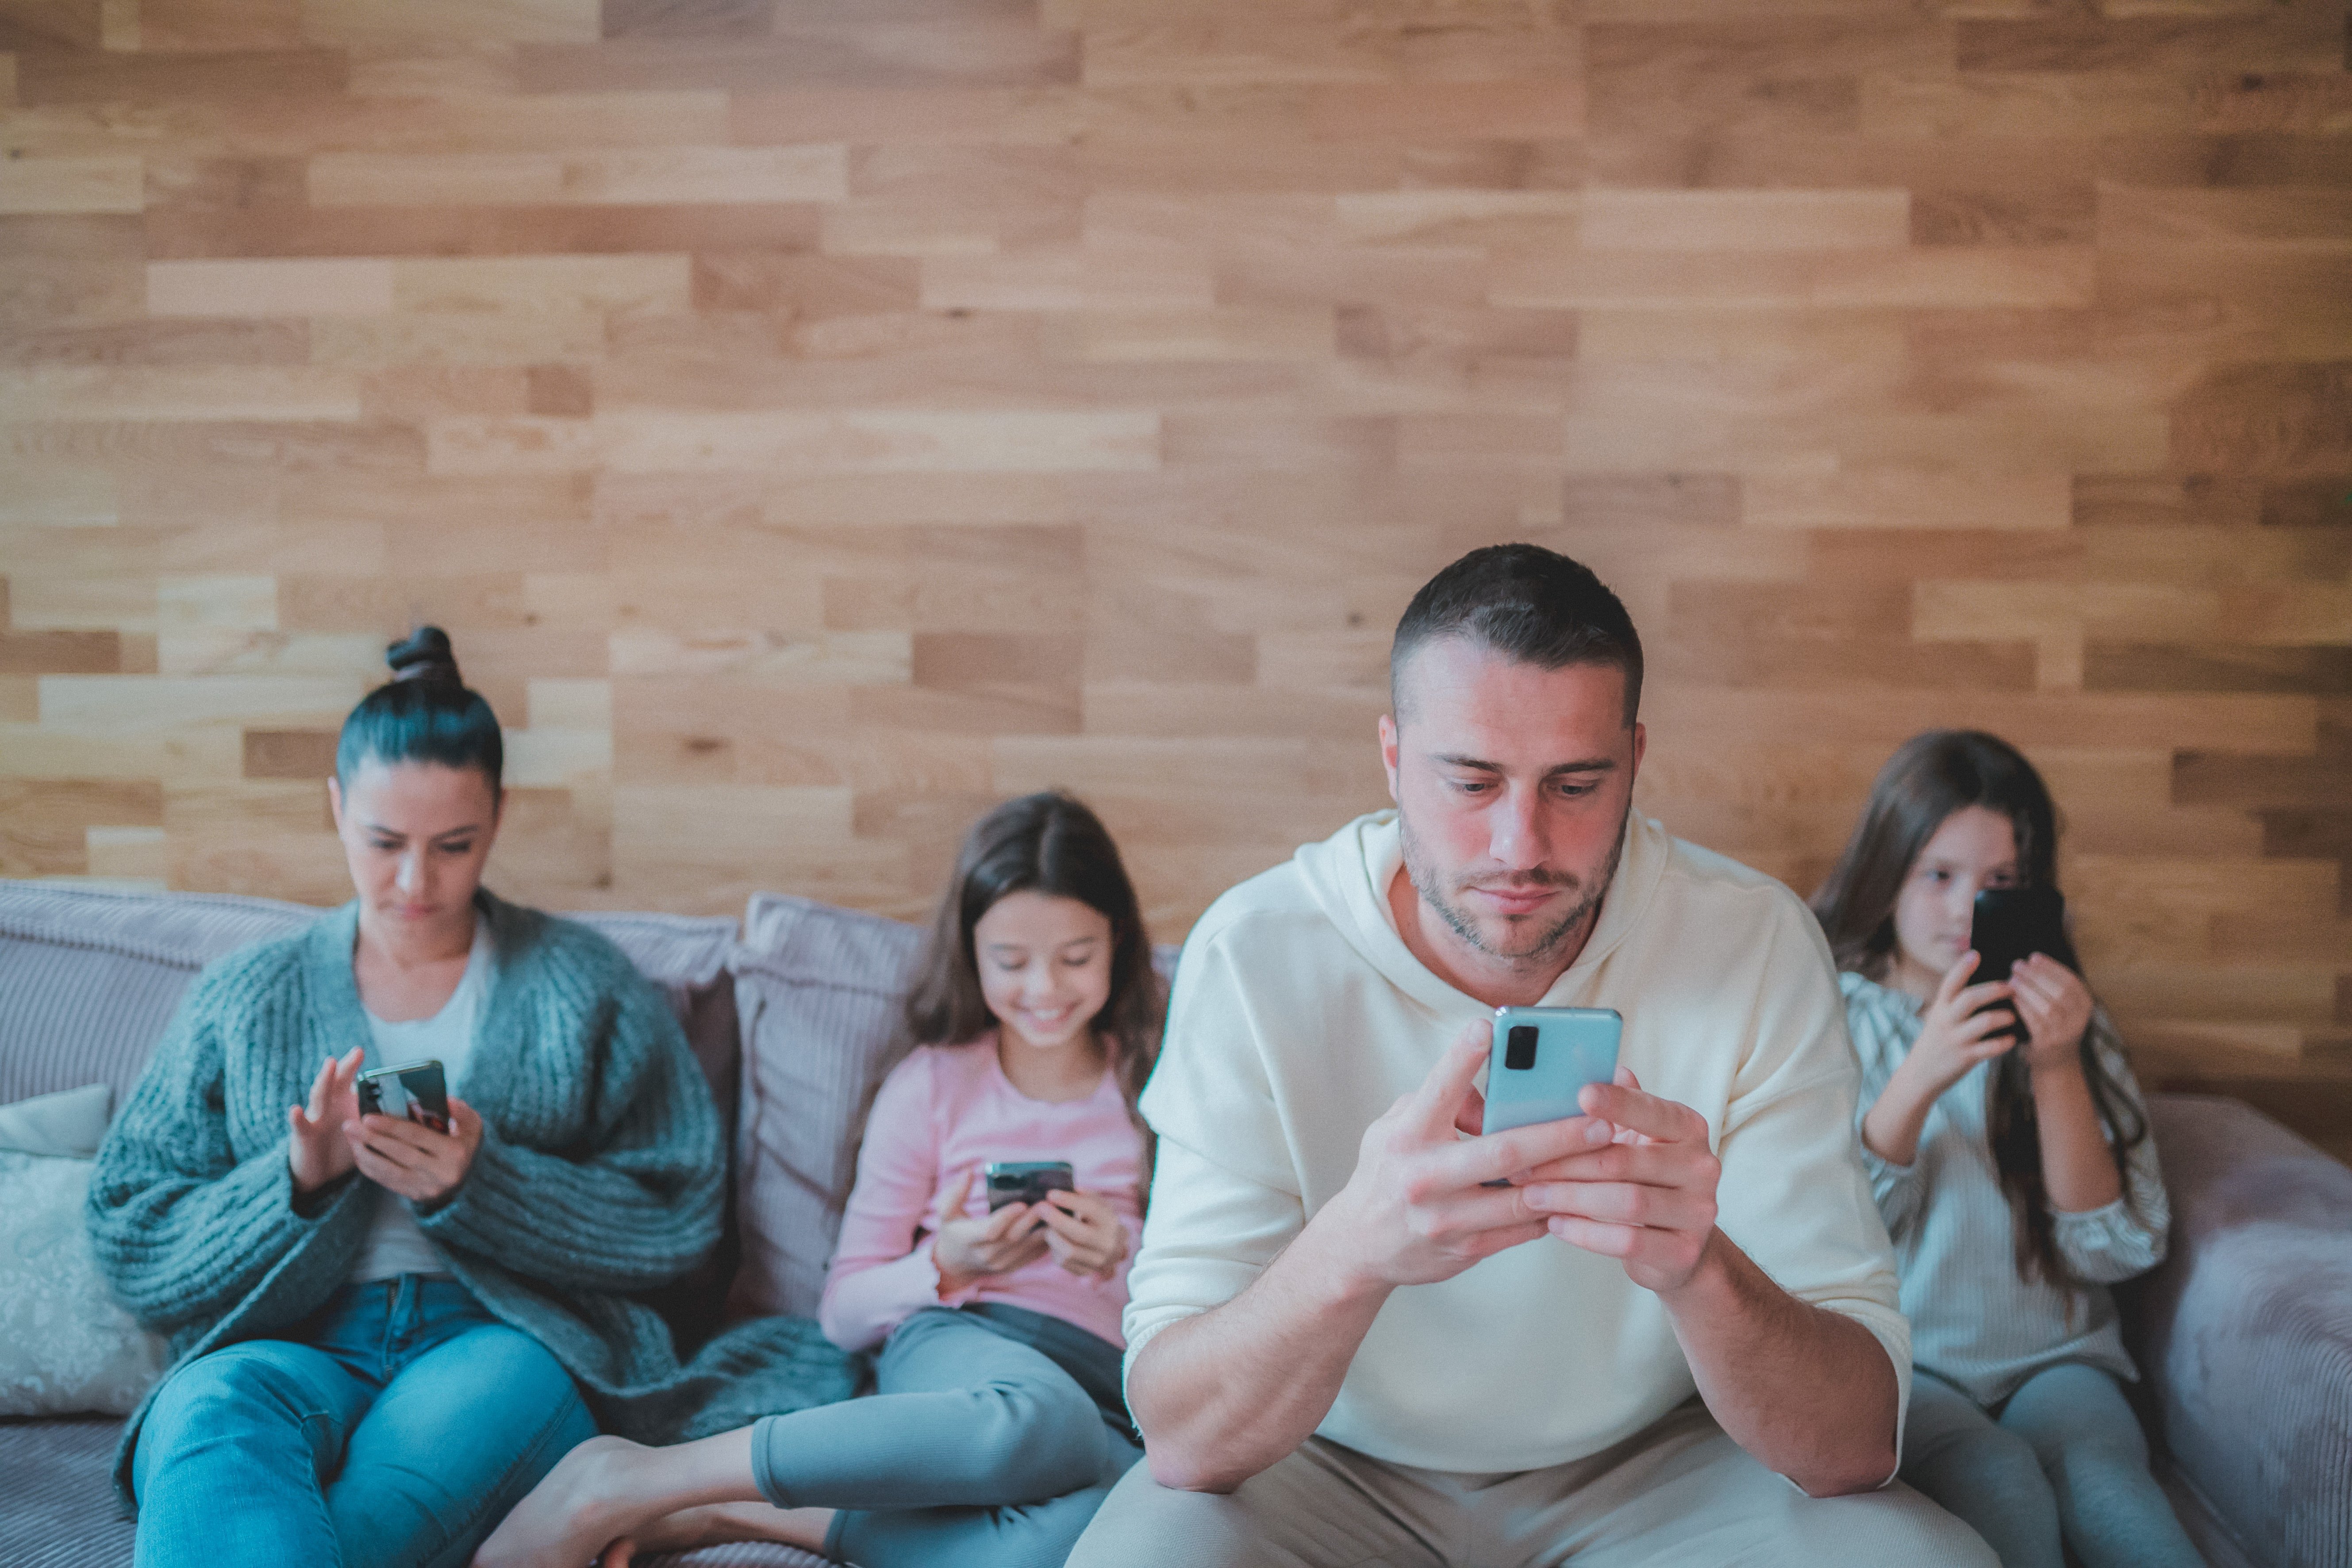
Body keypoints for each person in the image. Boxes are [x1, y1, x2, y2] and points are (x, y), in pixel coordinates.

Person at [1067, 544, 1997, 1568]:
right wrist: (1355, 1246)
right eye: (1471, 780)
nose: (1521, 843)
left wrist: (1698, 1268)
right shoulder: (1253, 952)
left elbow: (1855, 1443)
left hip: (1659, 1463)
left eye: (1576, 783)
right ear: (1391, 755)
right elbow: (1182, 1432)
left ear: (1636, 760)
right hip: (1325, 1462)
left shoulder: (1755, 942)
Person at [86, 628, 739, 1568]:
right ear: (336, 807)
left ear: (500, 817)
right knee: (206, 1411)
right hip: (292, 1341)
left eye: (454, 845)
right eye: (384, 841)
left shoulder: (584, 986)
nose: (414, 882)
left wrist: (485, 1181)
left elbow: (681, 1218)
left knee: (375, 1510)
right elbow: (128, 1229)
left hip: (499, 1340)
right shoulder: (247, 992)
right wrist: (296, 1184)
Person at [474, 791, 1158, 1568]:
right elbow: (844, 1313)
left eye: (1076, 957)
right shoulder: (932, 1087)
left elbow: (1213, 1295)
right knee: (1046, 1420)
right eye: (1012, 961)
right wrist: (947, 1265)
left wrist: (1121, 1263)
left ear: (1119, 942)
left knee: (1090, 1539)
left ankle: (735, 1514)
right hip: (965, 1342)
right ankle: (645, 1474)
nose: (1045, 989)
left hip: (1110, 1380)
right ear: (970, 951)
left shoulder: (1156, 1087)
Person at [1812, 730, 2201, 1568]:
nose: (1964, 910)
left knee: (2112, 1495)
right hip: (1906, 1367)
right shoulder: (1832, 1017)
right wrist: (1920, 1076)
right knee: (2001, 1490)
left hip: (2054, 1358)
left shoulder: (2068, 1021)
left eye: (2000, 884)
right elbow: (1827, 1237)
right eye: (1939, 875)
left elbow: (2118, 1247)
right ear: (1888, 875)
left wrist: (2056, 1065)